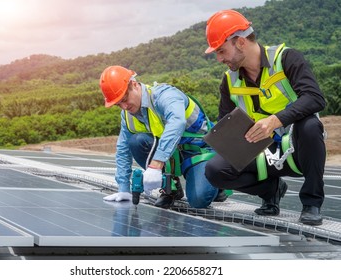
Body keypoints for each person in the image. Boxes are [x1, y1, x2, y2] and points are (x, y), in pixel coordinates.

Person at [203, 10, 326, 226]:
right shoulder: (229, 81)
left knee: (310, 126)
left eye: (221, 51)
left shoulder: (286, 58)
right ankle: (271, 191)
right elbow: (226, 123)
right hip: (260, 151)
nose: (219, 59)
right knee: (215, 170)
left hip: (296, 146)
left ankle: (311, 203)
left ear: (241, 42)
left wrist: (275, 121)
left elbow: (315, 98)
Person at [99, 65, 225, 209]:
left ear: (134, 85)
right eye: (118, 104)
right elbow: (123, 148)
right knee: (136, 142)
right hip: (172, 155)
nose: (124, 106)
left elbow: (177, 123)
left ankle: (218, 182)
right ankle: (171, 187)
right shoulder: (128, 115)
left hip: (199, 151)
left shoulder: (165, 95)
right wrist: (123, 188)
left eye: (125, 99)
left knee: (198, 200)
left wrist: (156, 164)